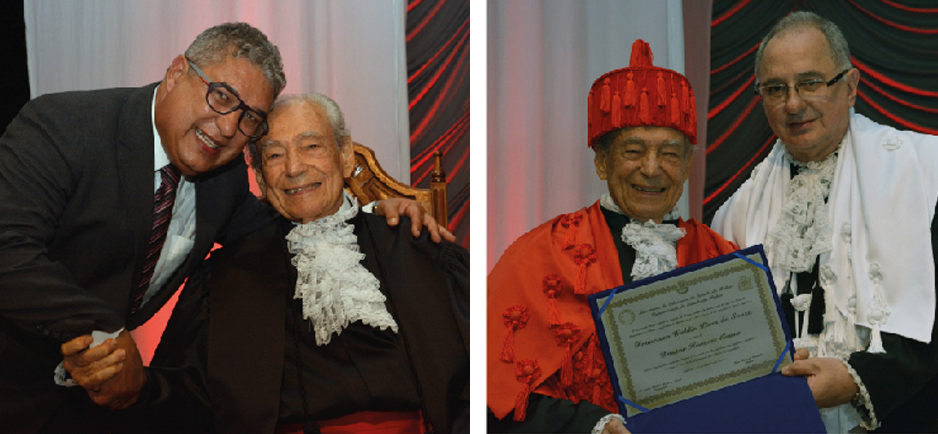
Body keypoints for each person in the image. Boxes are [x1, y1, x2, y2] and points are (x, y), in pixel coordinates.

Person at [0, 22, 447, 434]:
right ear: (177, 72)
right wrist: (104, 332)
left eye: (249, 117)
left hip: (90, 405)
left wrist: (374, 212)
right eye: (221, 96)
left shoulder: (224, 181)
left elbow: (288, 220)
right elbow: (8, 247)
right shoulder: (64, 126)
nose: (229, 126)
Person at [65, 93, 470, 434]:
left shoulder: (419, 249)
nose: (294, 168)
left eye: (311, 146)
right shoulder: (223, 277)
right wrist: (132, 383)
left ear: (345, 156)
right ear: (259, 175)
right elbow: (188, 395)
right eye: (274, 155)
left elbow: (477, 380)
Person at [487, 39, 738, 433]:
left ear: (688, 165)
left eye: (670, 154)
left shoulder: (720, 255)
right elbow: (494, 398)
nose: (651, 169)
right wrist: (592, 426)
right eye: (633, 151)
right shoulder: (541, 254)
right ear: (602, 162)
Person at [711, 11, 938, 432]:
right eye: (775, 89)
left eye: (811, 82)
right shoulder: (734, 214)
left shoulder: (925, 172)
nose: (793, 104)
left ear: (850, 87)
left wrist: (859, 381)